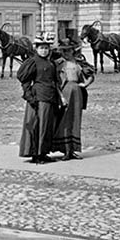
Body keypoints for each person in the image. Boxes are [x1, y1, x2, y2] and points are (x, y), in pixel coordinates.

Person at [16, 33, 59, 164]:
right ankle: (36, 154)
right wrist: (29, 96)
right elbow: (24, 80)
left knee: (47, 126)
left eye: (46, 48)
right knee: (37, 126)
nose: (44, 50)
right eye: (41, 48)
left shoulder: (50, 62)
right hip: (38, 98)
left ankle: (44, 152)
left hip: (50, 96)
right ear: (36, 49)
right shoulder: (32, 62)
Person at [52, 48, 95, 160]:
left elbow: (91, 76)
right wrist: (60, 96)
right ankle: (65, 149)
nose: (65, 53)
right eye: (63, 51)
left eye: (67, 51)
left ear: (73, 51)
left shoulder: (79, 63)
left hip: (77, 93)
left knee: (75, 119)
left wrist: (85, 85)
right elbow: (55, 82)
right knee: (65, 120)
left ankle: (72, 150)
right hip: (65, 92)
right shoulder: (59, 64)